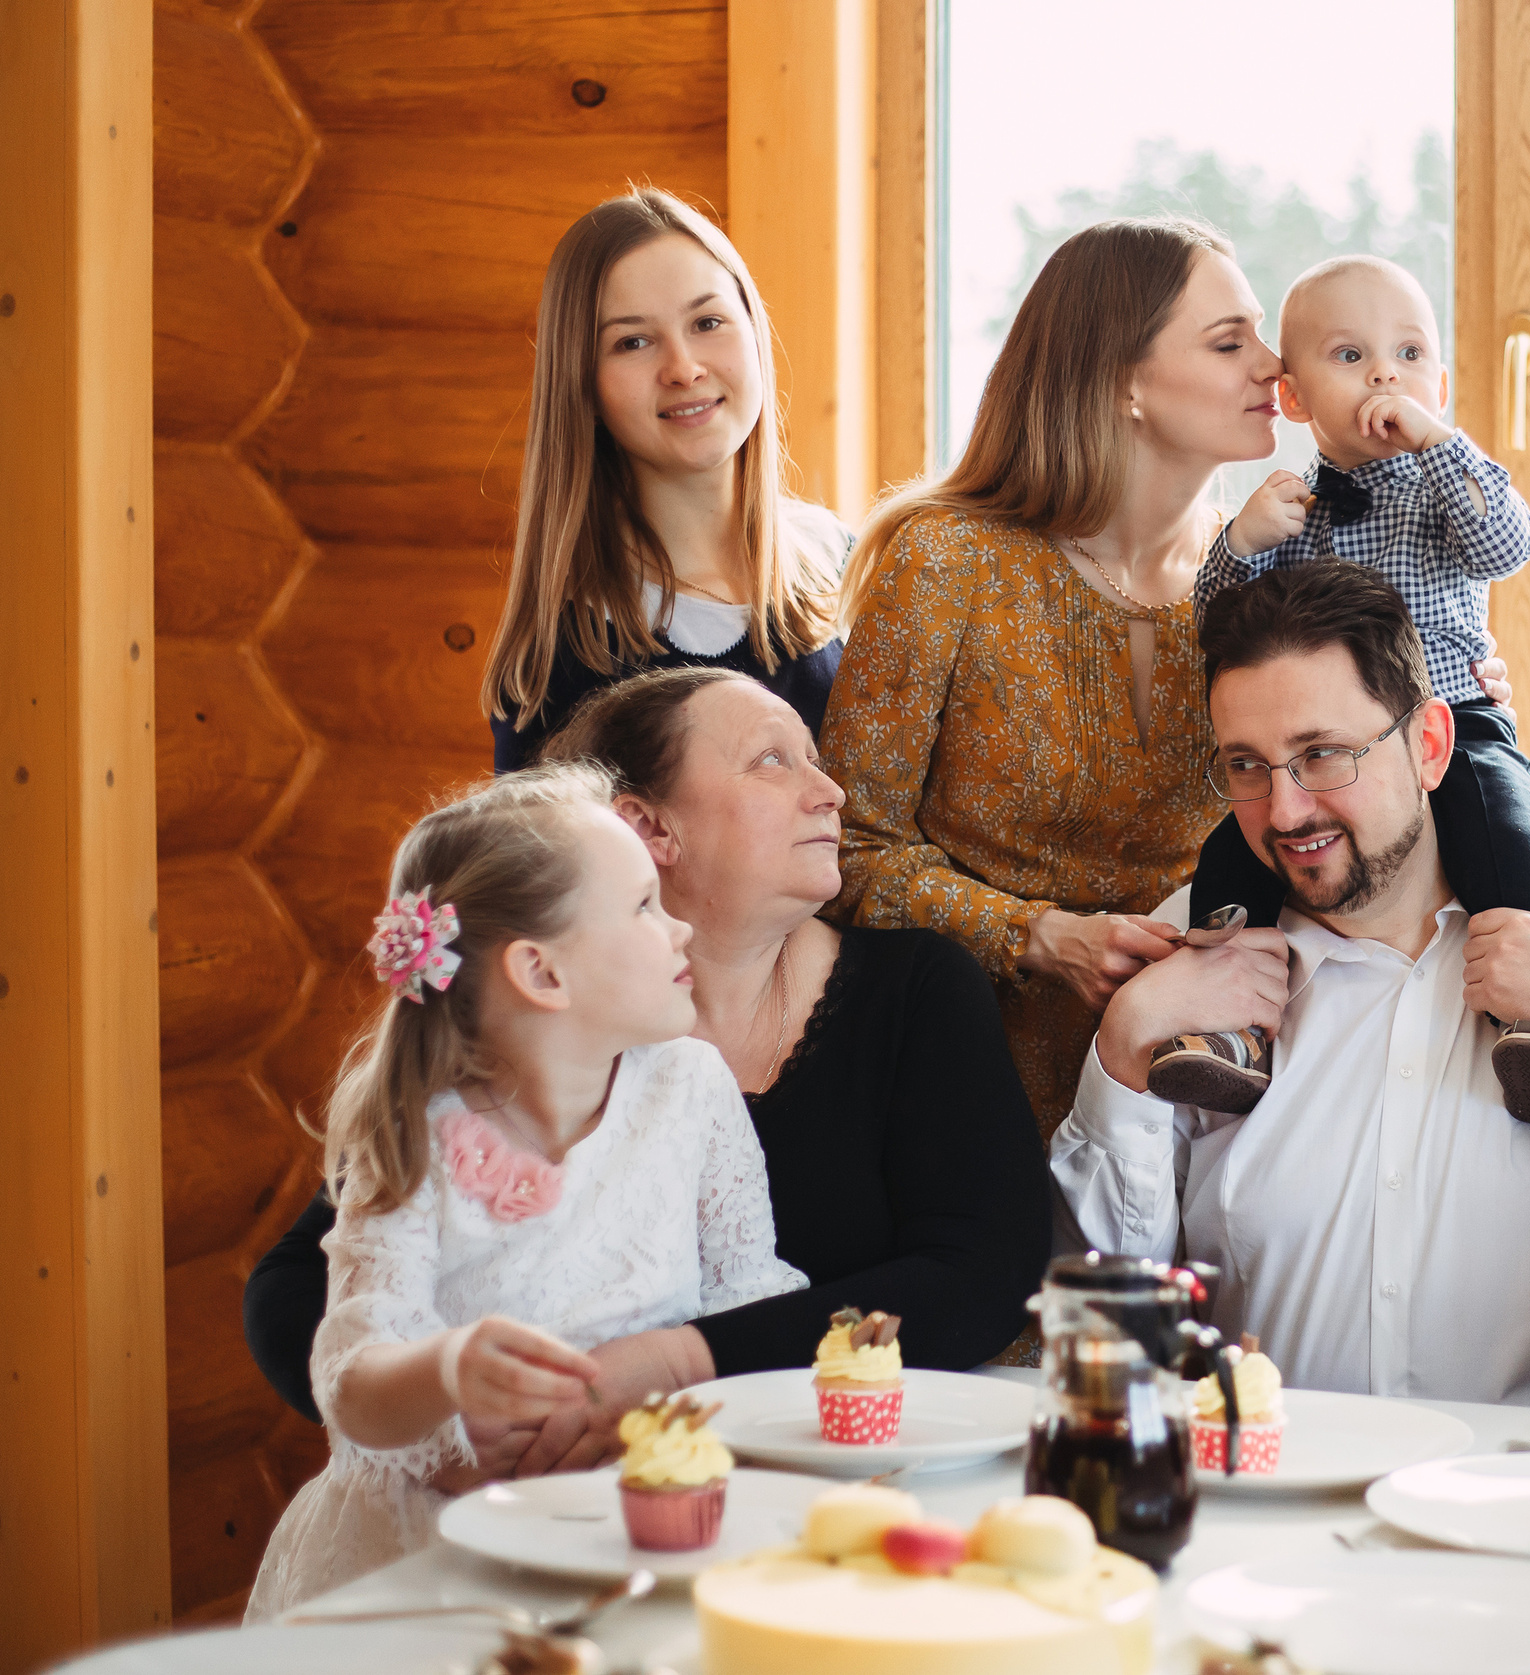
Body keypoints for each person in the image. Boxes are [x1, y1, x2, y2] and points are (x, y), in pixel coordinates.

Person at [242, 668, 1051, 1454]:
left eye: (815, 756)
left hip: (833, 1457)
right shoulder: (537, 1042)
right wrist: (461, 1440)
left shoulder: (916, 990)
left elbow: (982, 1275)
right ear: (649, 828)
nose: (831, 791)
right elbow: (300, 1292)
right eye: (773, 759)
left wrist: (673, 1362)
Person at [1051, 561, 1530, 1406]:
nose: (1287, 811)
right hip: (1264, 1499)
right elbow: (1105, 1312)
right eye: (1248, 766)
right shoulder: (1196, 949)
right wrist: (1122, 1049)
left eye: (1324, 755)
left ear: (1432, 746)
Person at [244, 764, 810, 1616]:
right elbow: (351, 1379)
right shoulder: (412, 1131)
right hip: (432, 1566)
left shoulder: (689, 1087)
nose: (681, 928)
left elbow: (745, 1303)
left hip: (631, 1533)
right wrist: (448, 1370)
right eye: (645, 907)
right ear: (542, 973)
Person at [816, 217, 1275, 1140]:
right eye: (1231, 342)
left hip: (1203, 1097)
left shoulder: (1269, 579)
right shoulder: (947, 564)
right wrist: (1036, 934)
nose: (1275, 364)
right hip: (960, 1073)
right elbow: (842, 853)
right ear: (1123, 383)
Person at [1162, 254, 1530, 1123]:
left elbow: (1510, 544)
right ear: (1298, 398)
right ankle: (1234, 1030)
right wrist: (1241, 538)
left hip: (1452, 718)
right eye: (1350, 356)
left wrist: (1438, 442)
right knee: (1230, 861)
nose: (1386, 372)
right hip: (1315, 751)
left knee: (1506, 836)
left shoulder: (1443, 490)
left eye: (1410, 353)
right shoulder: (1290, 512)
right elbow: (1219, 628)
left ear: (1442, 383)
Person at [480, 186, 848, 772]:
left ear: (754, 332)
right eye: (633, 341)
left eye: (707, 321)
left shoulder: (850, 565)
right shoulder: (565, 657)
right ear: (583, 385)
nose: (683, 368)